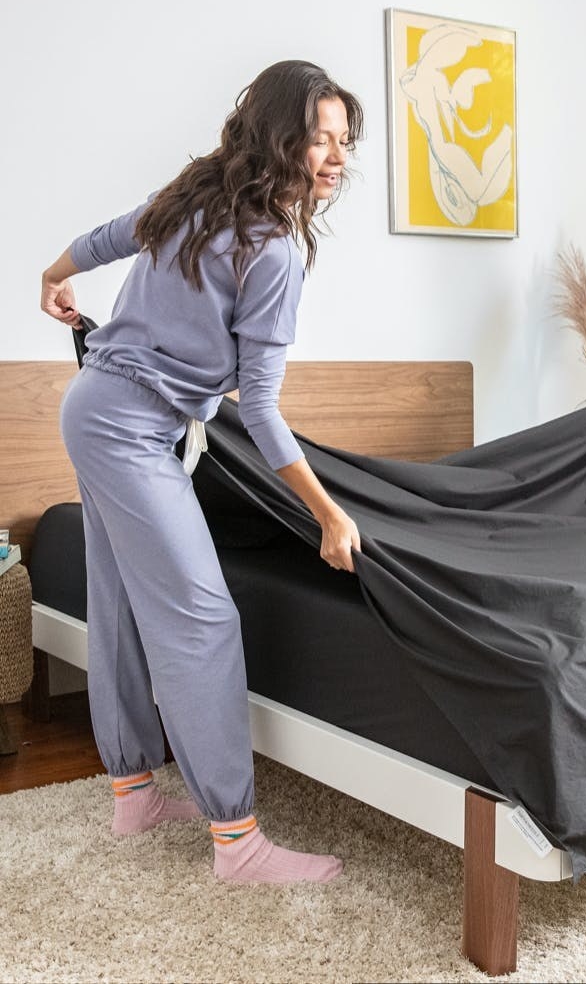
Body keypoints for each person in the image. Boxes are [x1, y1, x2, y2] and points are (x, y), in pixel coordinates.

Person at [40, 60, 363, 883]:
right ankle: (238, 841)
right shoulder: (273, 251)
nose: (335, 157)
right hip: (127, 427)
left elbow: (108, 237)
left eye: (344, 142)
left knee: (117, 597)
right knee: (202, 618)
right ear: (281, 136)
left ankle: (133, 793)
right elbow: (258, 408)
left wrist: (54, 277)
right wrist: (329, 514)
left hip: (99, 409)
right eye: (320, 138)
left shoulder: (194, 198)